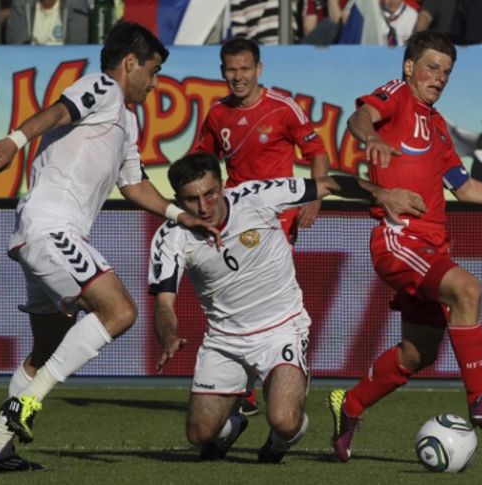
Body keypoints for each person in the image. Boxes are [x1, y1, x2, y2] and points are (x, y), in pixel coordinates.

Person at [0, 21, 219, 473]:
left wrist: (180, 216)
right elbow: (59, 111)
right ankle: (25, 406)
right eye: (154, 70)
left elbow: (134, 185)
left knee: (46, 350)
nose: (156, 81)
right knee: (120, 311)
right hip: (51, 227)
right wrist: (14, 140)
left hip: (43, 234)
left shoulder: (126, 119)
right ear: (130, 64)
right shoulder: (103, 86)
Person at [327, 30, 482, 463]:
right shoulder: (397, 95)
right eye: (431, 67)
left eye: (446, 71)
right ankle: (479, 399)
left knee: (416, 355)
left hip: (432, 249)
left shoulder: (438, 127)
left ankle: (350, 405)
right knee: (467, 289)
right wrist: (372, 139)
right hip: (399, 239)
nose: (439, 77)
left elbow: (468, 187)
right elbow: (359, 118)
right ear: (409, 67)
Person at [149, 152, 425, 463]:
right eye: (191, 199)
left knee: (284, 420)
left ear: (223, 185)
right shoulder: (171, 237)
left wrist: (382, 194)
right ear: (177, 199)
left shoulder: (258, 197)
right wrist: (169, 336)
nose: (203, 206)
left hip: (282, 328)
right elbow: (164, 304)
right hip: (224, 340)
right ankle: (235, 423)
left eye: (210, 194)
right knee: (199, 436)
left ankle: (278, 445)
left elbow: (330, 184)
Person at [193, 37, 331, 415]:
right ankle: (246, 383)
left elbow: (317, 154)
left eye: (244, 69)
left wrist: (313, 198)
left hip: (275, 218)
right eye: (230, 70)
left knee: (264, 295)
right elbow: (200, 162)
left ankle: (282, 369)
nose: (237, 77)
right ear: (223, 71)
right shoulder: (217, 113)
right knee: (228, 293)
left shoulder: (284, 108)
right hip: (232, 219)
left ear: (259, 69)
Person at [6, 0, 90, 45]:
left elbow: (77, 47)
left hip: (66, 64)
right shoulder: (21, 4)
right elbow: (16, 44)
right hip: (28, 64)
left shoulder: (76, 5)